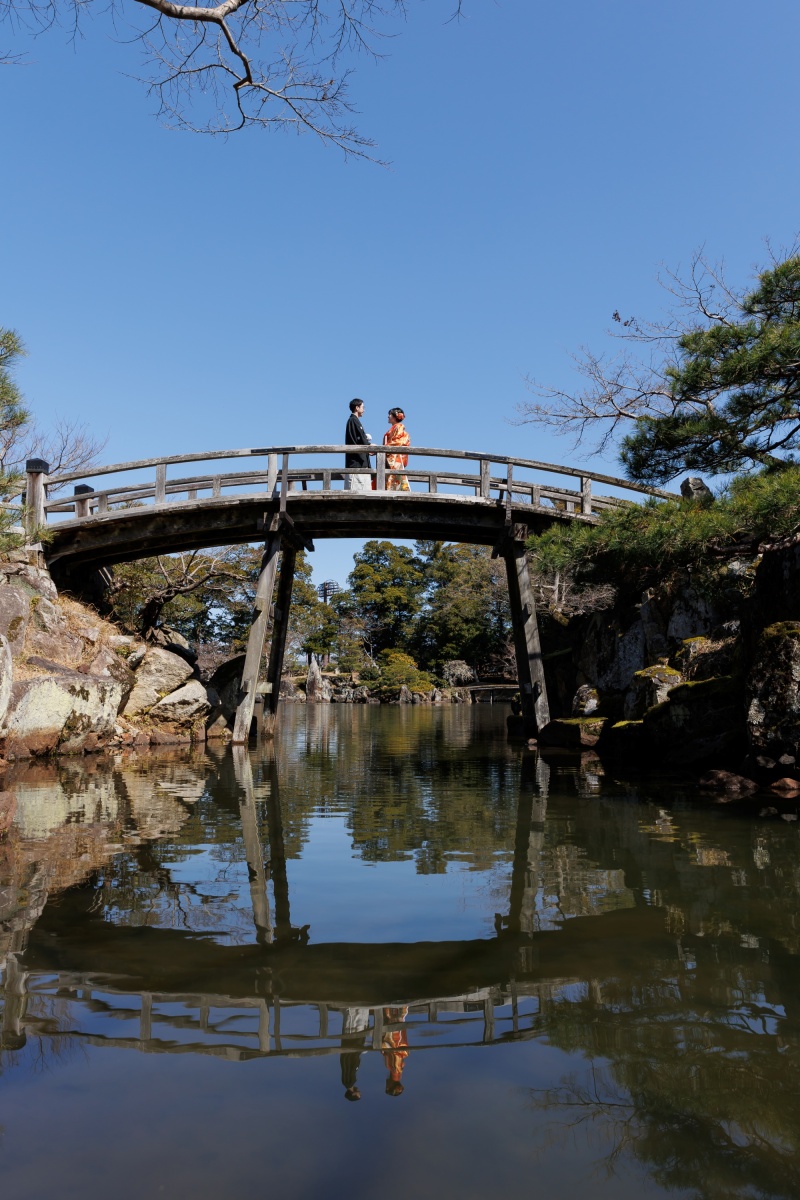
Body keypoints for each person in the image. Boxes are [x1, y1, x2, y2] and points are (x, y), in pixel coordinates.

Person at [344, 398, 373, 492]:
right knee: (356, 491)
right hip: (356, 463)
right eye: (362, 407)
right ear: (357, 408)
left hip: (360, 463)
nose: (364, 410)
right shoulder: (353, 420)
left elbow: (360, 439)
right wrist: (369, 446)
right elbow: (356, 440)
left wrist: (368, 445)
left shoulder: (355, 421)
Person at [383, 407, 410, 491]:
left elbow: (398, 441)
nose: (388, 417)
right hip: (391, 457)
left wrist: (385, 447)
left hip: (395, 458)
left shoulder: (399, 427)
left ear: (395, 416)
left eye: (390, 415)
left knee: (394, 479)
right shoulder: (393, 428)